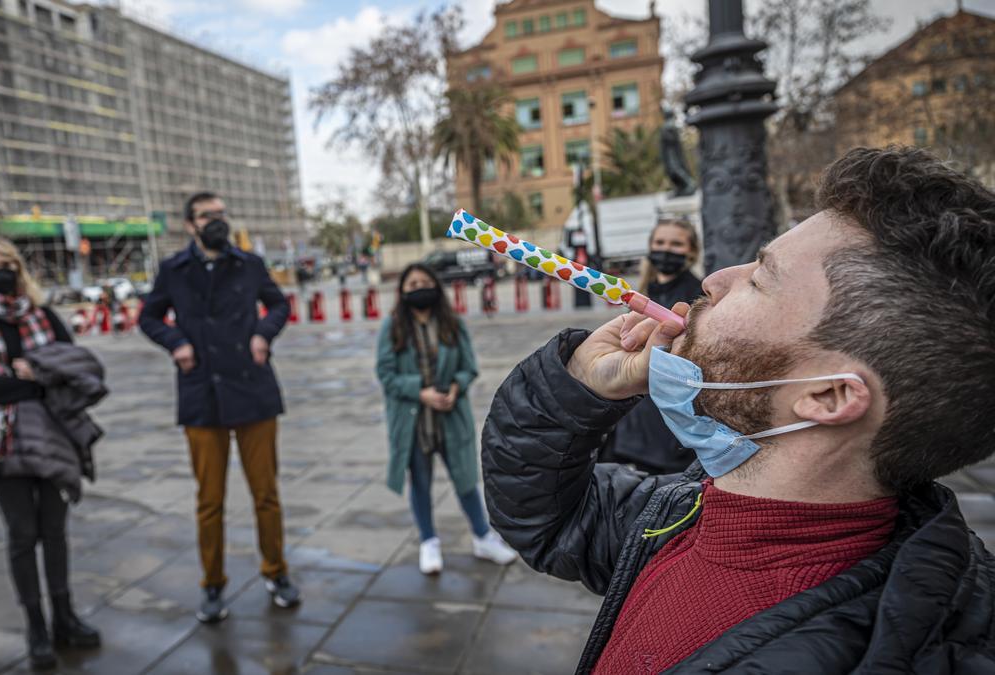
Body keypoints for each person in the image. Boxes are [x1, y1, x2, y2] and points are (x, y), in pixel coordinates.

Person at [482, 146, 995, 673]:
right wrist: (579, 386)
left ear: (828, 396)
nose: (715, 279)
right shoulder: (692, 511)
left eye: (759, 279)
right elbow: (551, 520)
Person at [138, 191, 300, 624]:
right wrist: (177, 344)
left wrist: (264, 334)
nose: (217, 221)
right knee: (210, 500)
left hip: (252, 387)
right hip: (201, 393)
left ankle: (276, 572)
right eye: (207, 215)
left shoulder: (248, 264)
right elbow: (149, 317)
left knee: (266, 494)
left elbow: (280, 303)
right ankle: (212, 584)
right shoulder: (174, 270)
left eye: (221, 214)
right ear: (190, 224)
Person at [0, 237, 100, 670]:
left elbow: (75, 370)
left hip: (53, 437)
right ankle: (35, 624)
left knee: (55, 530)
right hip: (2, 441)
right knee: (21, 534)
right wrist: (38, 381)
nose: (1, 271)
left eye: (9, 263)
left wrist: (34, 377)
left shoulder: (45, 317)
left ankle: (65, 616)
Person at [376, 264, 516, 575]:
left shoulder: (452, 323)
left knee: (466, 480)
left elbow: (469, 366)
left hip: (451, 418)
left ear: (436, 287)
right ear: (402, 290)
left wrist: (456, 386)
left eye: (425, 281)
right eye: (412, 283)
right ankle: (428, 542)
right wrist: (420, 392)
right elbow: (386, 374)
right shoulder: (393, 327)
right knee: (421, 483)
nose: (419, 287)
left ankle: (482, 537)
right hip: (414, 422)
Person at [603, 220, 703, 474]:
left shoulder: (698, 296)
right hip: (636, 420)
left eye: (676, 244)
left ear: (691, 251)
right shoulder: (644, 294)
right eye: (660, 243)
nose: (666, 249)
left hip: (669, 428)